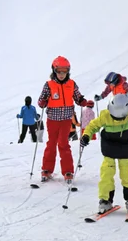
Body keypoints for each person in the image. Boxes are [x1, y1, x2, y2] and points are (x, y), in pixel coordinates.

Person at [80, 94, 128, 214]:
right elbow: (92, 126)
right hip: (109, 148)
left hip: (125, 149)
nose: (117, 119)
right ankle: (105, 200)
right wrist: (86, 136)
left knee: (127, 173)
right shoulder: (105, 116)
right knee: (107, 173)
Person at [37, 56, 94, 184]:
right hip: (52, 119)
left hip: (66, 120)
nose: (62, 74)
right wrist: (42, 102)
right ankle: (47, 169)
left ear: (68, 71)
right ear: (54, 71)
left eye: (64, 71)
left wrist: (84, 102)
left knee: (63, 144)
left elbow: (78, 97)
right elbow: (41, 101)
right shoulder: (49, 85)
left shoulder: (72, 84)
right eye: (59, 71)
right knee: (51, 144)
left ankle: (68, 171)